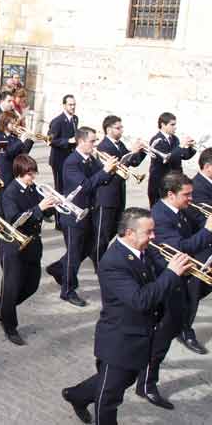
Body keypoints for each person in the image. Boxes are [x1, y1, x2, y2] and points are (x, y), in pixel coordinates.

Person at [61, 208, 191, 425]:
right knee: (109, 398)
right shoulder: (113, 263)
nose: (153, 237)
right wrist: (171, 274)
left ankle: (76, 395)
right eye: (148, 232)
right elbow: (140, 300)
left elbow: (159, 276)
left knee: (125, 378)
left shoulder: (141, 250)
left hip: (140, 336)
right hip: (120, 341)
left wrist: (181, 271)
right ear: (130, 233)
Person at [0, 155, 56, 345]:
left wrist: (52, 205)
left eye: (33, 173)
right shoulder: (10, 192)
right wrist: (39, 208)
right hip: (14, 246)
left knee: (32, 285)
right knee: (11, 287)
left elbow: (43, 213)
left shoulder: (33, 189)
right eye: (29, 174)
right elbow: (15, 219)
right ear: (19, 172)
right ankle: (10, 326)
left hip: (33, 243)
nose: (32, 177)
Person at [45, 127, 117, 307]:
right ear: (81, 141)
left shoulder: (91, 159)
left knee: (88, 248)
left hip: (89, 212)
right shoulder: (72, 162)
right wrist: (105, 171)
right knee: (74, 254)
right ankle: (67, 290)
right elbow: (85, 185)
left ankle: (57, 267)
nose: (95, 144)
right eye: (92, 141)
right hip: (73, 215)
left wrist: (112, 170)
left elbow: (102, 180)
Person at [148, 173, 212, 365]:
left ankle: (182, 326)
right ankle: (182, 330)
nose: (191, 199)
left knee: (192, 295)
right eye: (187, 195)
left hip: (185, 263)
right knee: (180, 305)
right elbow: (180, 248)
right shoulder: (160, 215)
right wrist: (208, 230)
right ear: (171, 194)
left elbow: (191, 235)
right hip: (168, 271)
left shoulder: (179, 209)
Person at [93, 115, 147, 268]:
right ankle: (99, 264)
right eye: (118, 128)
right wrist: (131, 152)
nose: (121, 130)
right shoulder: (104, 146)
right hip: (106, 195)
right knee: (103, 234)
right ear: (109, 129)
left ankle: (96, 255)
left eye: (121, 127)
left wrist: (141, 152)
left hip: (118, 194)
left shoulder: (119, 144)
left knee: (113, 231)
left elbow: (133, 162)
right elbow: (117, 166)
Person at [147, 112, 196, 207]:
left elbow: (184, 156)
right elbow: (167, 159)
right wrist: (181, 146)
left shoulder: (175, 139)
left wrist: (190, 148)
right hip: (160, 183)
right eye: (172, 124)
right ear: (163, 125)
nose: (175, 127)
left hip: (173, 182)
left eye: (175, 124)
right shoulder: (157, 140)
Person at [47, 95, 78, 229]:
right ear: (64, 105)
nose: (73, 107)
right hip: (59, 160)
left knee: (69, 190)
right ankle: (58, 221)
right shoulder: (57, 121)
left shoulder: (75, 119)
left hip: (70, 159)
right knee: (59, 190)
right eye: (70, 105)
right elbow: (50, 140)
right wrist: (68, 141)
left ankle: (62, 214)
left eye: (74, 104)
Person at [0, 111, 34, 190]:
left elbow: (23, 153)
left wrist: (29, 140)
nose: (14, 126)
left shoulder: (14, 137)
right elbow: (5, 154)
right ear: (4, 123)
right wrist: (21, 141)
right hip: (3, 173)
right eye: (12, 123)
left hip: (14, 171)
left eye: (15, 123)